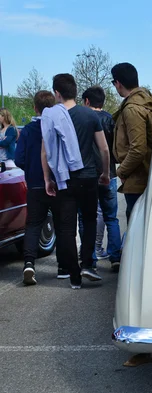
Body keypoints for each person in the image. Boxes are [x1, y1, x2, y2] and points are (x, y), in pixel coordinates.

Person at [41, 73, 110, 289]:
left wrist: (47, 179)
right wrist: (106, 173)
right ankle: (88, 263)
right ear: (74, 90)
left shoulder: (52, 117)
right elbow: (104, 148)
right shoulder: (90, 116)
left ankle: (74, 277)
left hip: (64, 179)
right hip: (88, 177)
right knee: (89, 221)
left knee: (66, 228)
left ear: (57, 93)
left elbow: (45, 152)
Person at [14, 91, 57, 285]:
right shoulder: (56, 127)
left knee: (32, 225)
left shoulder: (28, 130)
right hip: (57, 184)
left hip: (34, 184)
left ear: (35, 107)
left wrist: (31, 169)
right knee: (63, 226)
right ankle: (65, 266)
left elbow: (19, 159)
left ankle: (29, 263)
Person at [111, 62, 152, 223]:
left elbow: (138, 149)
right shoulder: (148, 102)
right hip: (146, 174)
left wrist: (122, 172)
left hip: (137, 179)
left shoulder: (132, 109)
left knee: (135, 223)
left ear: (118, 83)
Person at [81, 86, 122, 271]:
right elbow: (115, 147)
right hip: (109, 173)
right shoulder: (110, 120)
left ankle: (89, 258)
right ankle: (115, 257)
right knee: (111, 217)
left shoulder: (83, 119)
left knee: (87, 217)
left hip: (88, 174)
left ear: (87, 101)